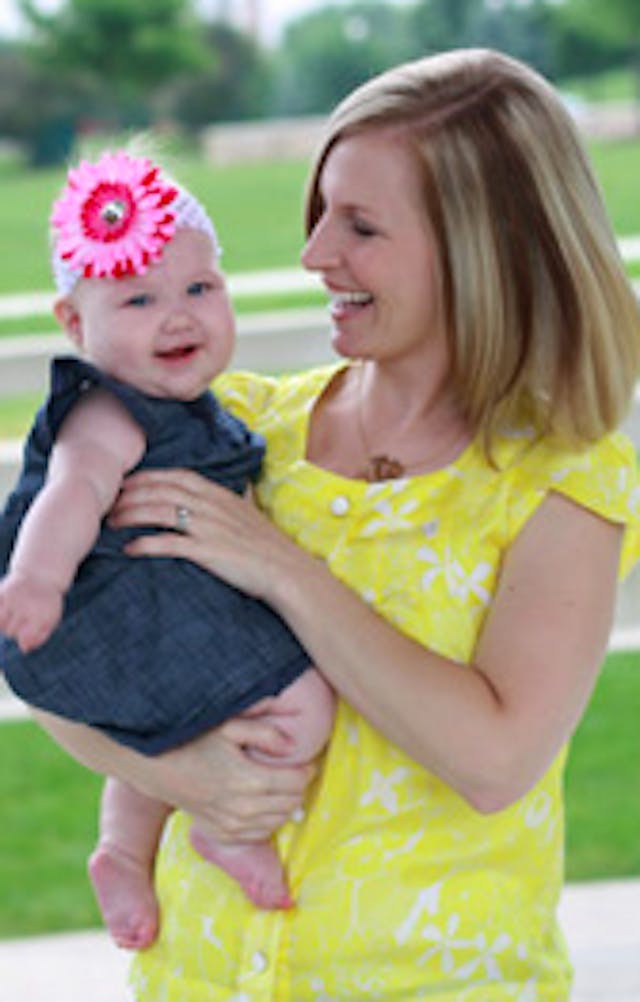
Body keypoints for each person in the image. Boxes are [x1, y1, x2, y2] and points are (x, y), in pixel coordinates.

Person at [30, 48, 640, 1000]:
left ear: (477, 244)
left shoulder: (563, 478)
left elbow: (494, 759)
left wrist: (282, 567)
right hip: (199, 979)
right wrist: (180, 775)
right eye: (321, 214)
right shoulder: (232, 428)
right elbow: (56, 651)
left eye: (359, 225)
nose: (314, 254)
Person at [0, 149, 335, 949]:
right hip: (114, 603)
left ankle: (123, 850)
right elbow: (71, 491)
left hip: (164, 604)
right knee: (302, 706)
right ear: (77, 326)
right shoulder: (108, 415)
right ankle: (222, 828)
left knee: (164, 722)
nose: (178, 315)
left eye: (199, 289)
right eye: (140, 298)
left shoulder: (190, 408)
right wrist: (38, 581)